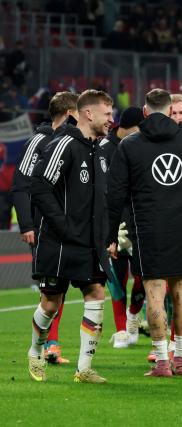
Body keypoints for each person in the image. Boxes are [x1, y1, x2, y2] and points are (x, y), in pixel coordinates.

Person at [106, 89, 182, 377]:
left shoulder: (130, 144)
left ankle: (162, 362)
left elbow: (115, 194)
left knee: (155, 294)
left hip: (149, 230)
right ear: (171, 110)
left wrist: (110, 234)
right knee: (181, 293)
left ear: (145, 112)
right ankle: (181, 359)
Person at [28, 89, 115, 383]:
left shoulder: (102, 150)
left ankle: (84, 368)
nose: (111, 119)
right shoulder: (63, 144)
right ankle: (36, 350)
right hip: (60, 241)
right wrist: (62, 225)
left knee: (96, 294)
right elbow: (39, 185)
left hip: (90, 242)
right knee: (51, 302)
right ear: (88, 113)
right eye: (107, 113)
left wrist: (108, 234)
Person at [11, 91, 78, 365]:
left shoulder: (71, 142)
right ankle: (46, 345)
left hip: (63, 227)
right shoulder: (38, 141)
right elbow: (20, 185)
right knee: (49, 290)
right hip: (41, 226)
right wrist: (27, 224)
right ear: (69, 113)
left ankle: (51, 344)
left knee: (59, 288)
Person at [99, 106, 146, 349]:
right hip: (113, 225)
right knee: (116, 277)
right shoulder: (103, 149)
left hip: (139, 223)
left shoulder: (140, 146)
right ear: (131, 127)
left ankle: (133, 316)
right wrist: (109, 228)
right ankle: (120, 331)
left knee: (142, 278)